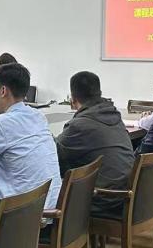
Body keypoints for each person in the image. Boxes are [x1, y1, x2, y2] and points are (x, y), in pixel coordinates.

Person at [0, 63, 61, 210]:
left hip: (22, 215)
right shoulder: (38, 116)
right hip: (51, 208)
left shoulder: (1, 124)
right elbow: (18, 153)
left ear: (3, 91)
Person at [55, 71, 134, 217]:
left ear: (73, 99)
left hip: (103, 199)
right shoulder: (113, 114)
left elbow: (54, 155)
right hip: (126, 193)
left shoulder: (80, 125)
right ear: (100, 93)